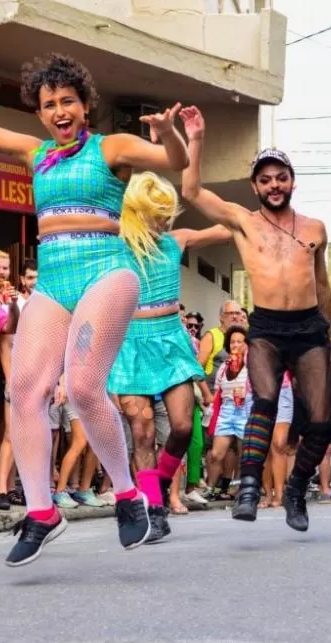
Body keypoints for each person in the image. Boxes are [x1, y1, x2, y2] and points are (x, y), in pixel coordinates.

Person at [0, 53, 190, 566]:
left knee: (86, 385)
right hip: (55, 283)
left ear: (85, 106)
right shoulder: (37, 153)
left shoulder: (110, 148)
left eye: (68, 101)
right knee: (24, 391)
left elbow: (174, 163)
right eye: (50, 105)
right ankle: (42, 513)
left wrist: (170, 134)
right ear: (41, 113)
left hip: (107, 272)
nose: (60, 111)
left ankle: (129, 495)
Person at [179, 105, 331, 531]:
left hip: (309, 330)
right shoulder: (243, 222)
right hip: (266, 328)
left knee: (323, 421)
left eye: (280, 177)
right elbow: (193, 192)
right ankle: (248, 486)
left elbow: (322, 285)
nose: (274, 185)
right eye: (265, 179)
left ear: (292, 181)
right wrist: (196, 139)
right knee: (265, 402)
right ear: (254, 185)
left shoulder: (315, 229)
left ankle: (295, 488)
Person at [106, 171, 231, 542]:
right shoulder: (115, 247)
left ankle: (158, 481)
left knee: (182, 427)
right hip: (130, 343)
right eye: (156, 212)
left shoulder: (176, 240)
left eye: (166, 212)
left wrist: (257, 218)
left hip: (170, 340)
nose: (164, 220)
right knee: (141, 433)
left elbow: (225, 229)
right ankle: (154, 508)